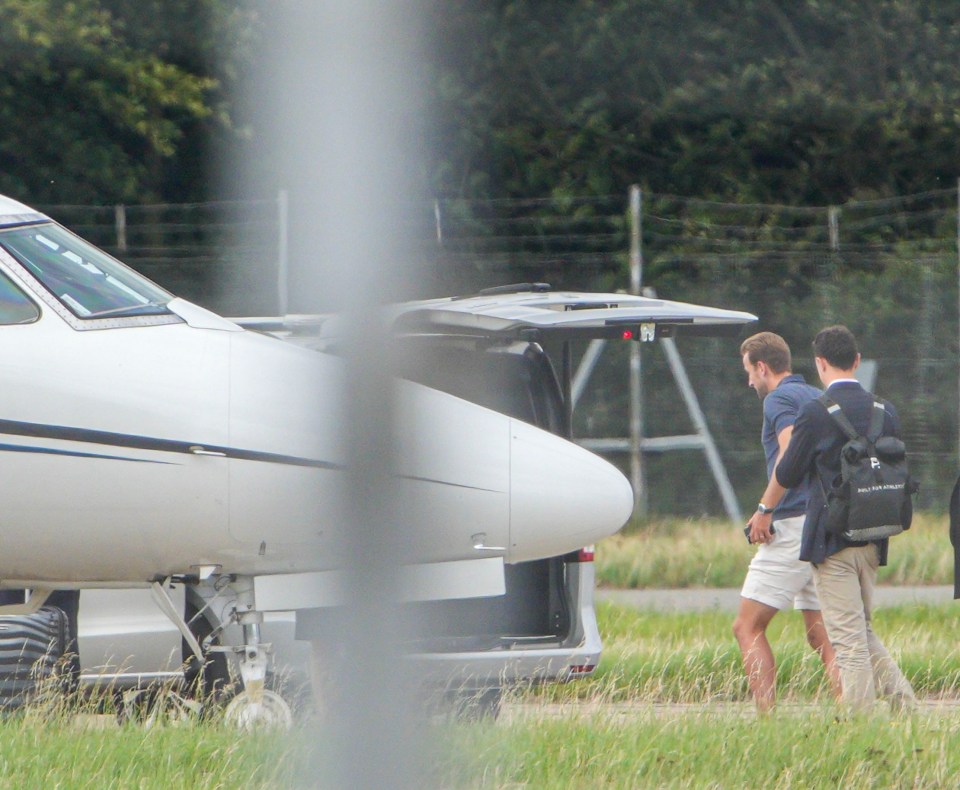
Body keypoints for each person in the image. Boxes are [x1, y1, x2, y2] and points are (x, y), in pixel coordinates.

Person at [774, 325, 916, 712]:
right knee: (862, 629)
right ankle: (905, 705)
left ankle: (860, 727)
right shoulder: (885, 410)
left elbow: (786, 474)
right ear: (856, 360)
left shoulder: (814, 412)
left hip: (831, 540)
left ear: (820, 364)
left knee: (848, 641)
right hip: (874, 535)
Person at [734, 332, 840, 712]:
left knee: (747, 627)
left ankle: (766, 721)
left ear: (763, 367)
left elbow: (789, 449)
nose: (749, 382)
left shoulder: (779, 398)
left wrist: (765, 509)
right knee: (824, 636)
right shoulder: (817, 396)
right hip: (826, 525)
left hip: (793, 523)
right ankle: (853, 717)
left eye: (749, 371)